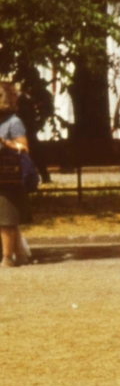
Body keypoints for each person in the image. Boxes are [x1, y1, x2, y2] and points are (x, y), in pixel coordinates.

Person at [0, 83, 32, 267]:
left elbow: (24, 149)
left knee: (6, 219)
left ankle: (7, 258)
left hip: (7, 176)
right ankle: (20, 255)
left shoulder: (14, 122)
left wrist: (4, 142)